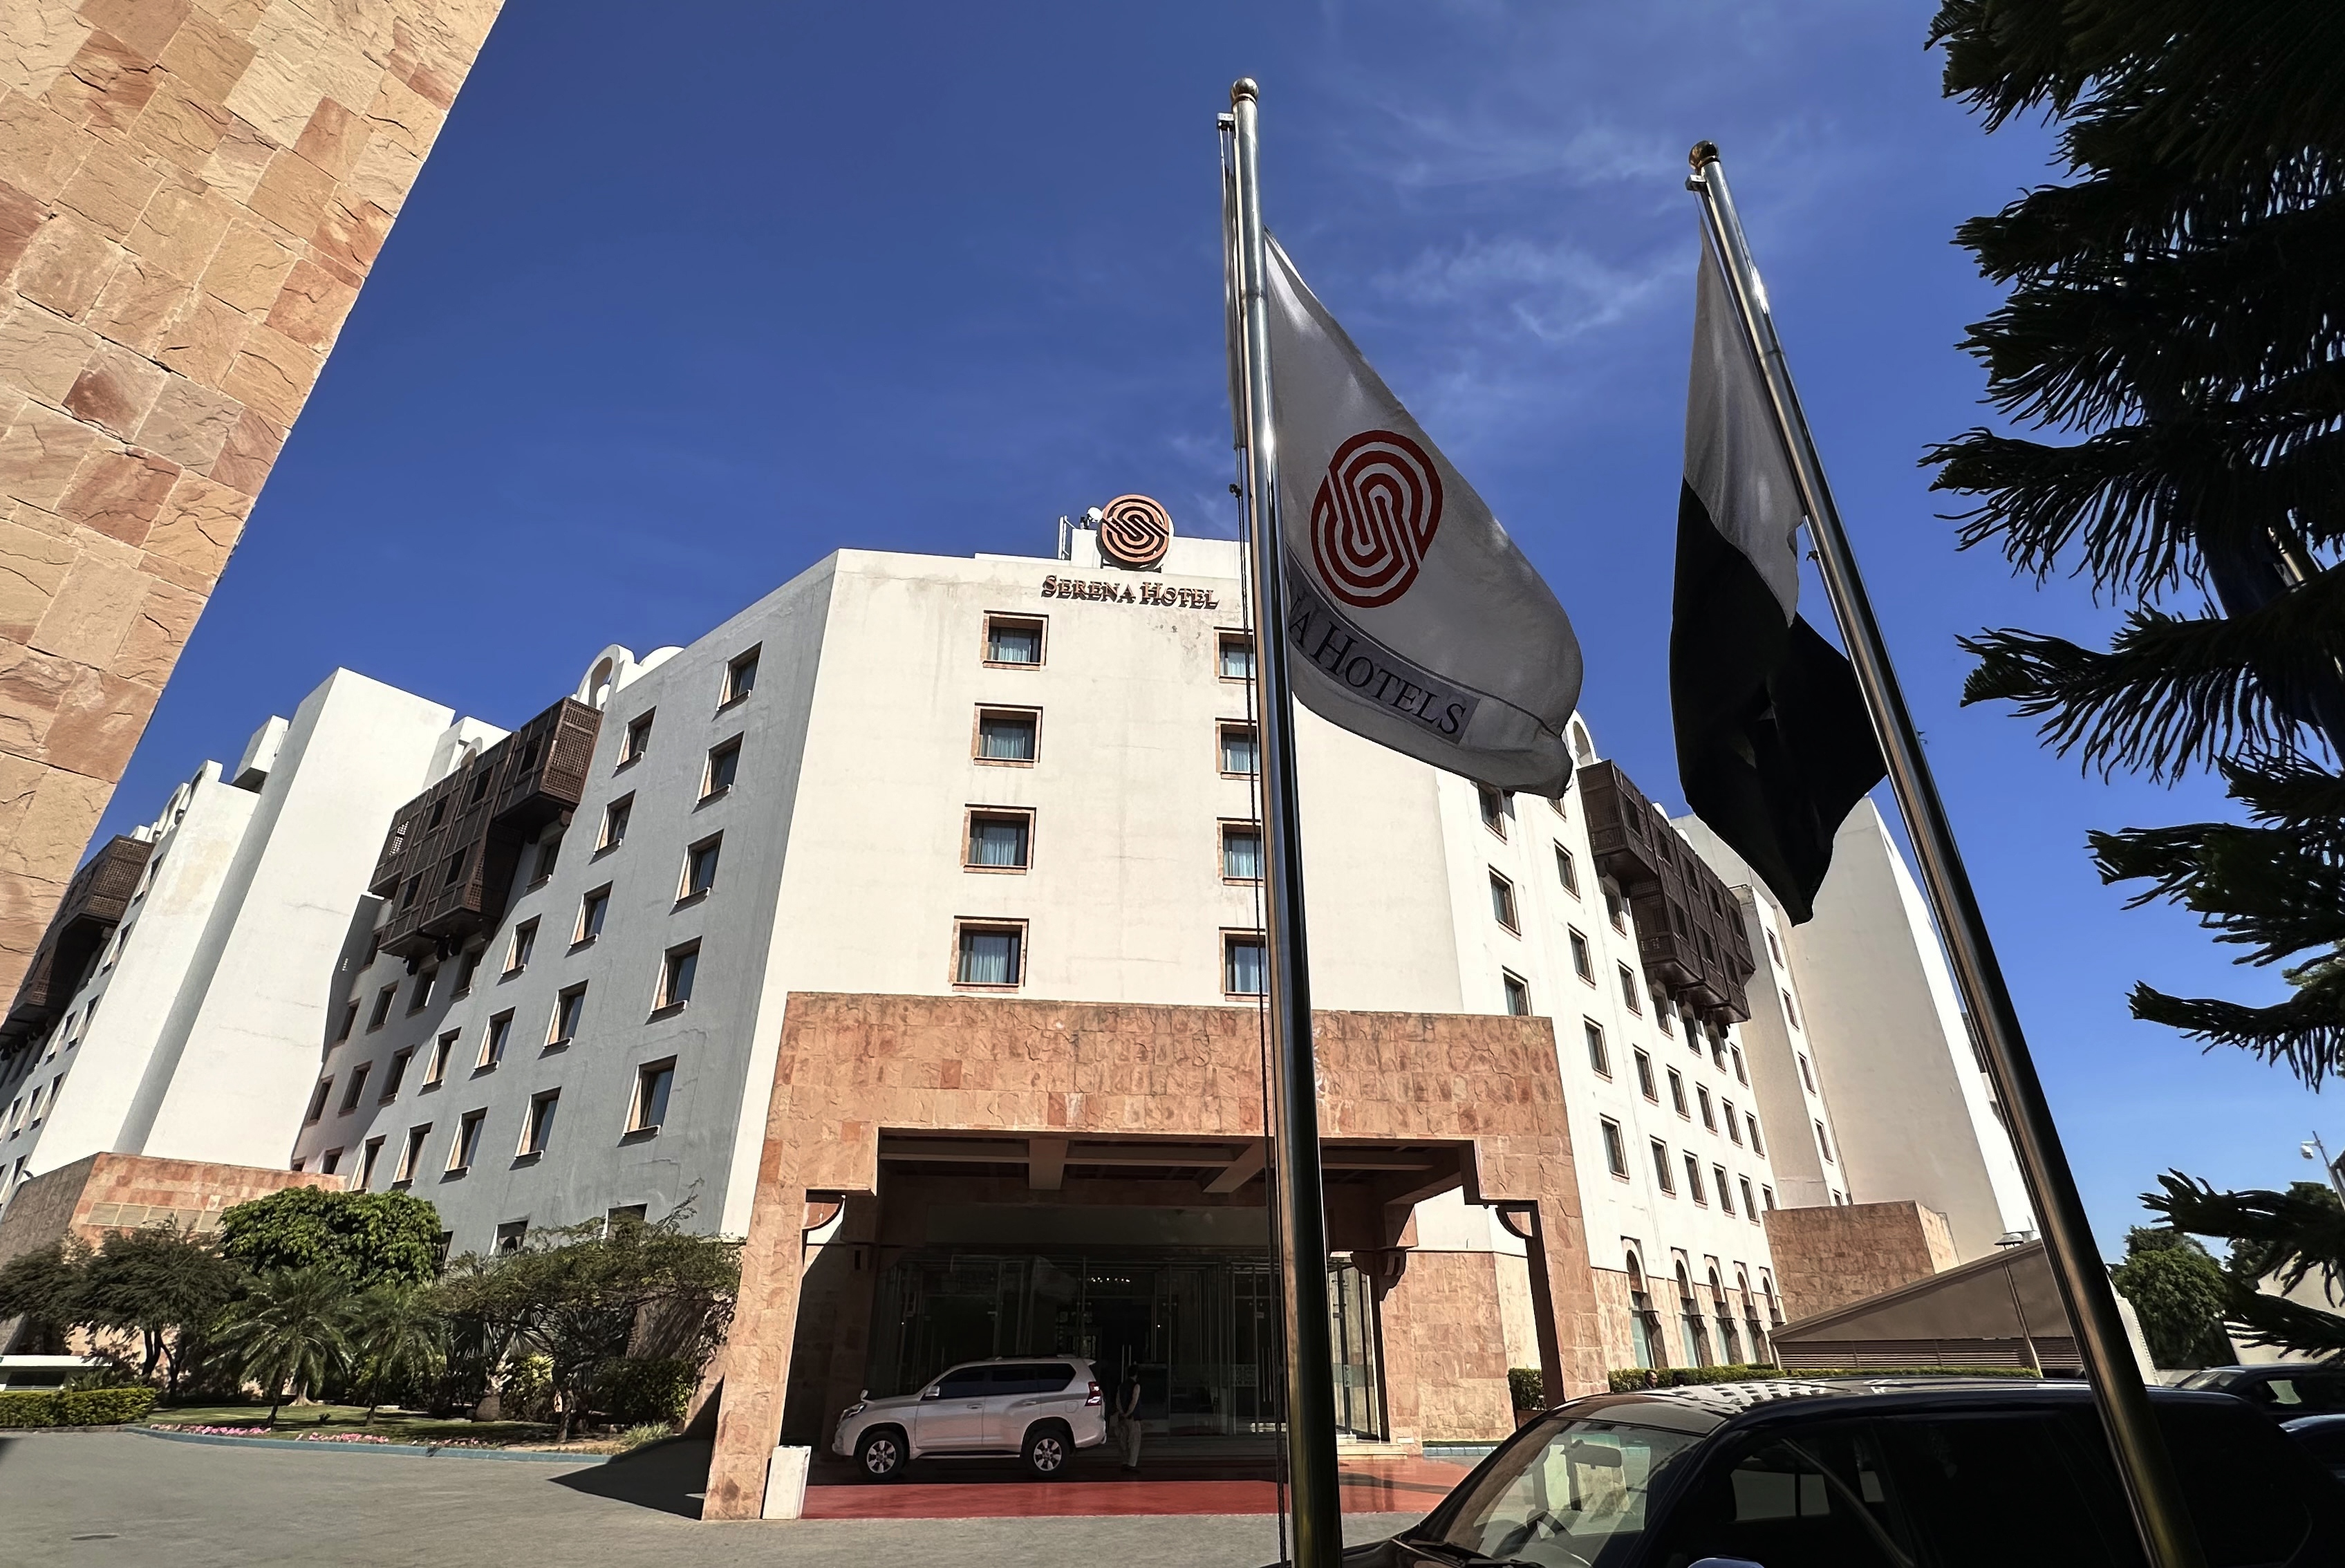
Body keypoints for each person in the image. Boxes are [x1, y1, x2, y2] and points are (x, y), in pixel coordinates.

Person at [1117, 1366, 1143, 1471]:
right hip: (1133, 1417)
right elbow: (1134, 1401)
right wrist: (1128, 1413)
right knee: (1134, 1441)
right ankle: (1132, 1464)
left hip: (1122, 1417)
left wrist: (1122, 1413)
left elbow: (1118, 1401)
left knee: (1123, 1441)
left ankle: (1124, 1462)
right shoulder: (1136, 1386)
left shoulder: (1121, 1386)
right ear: (1136, 1374)